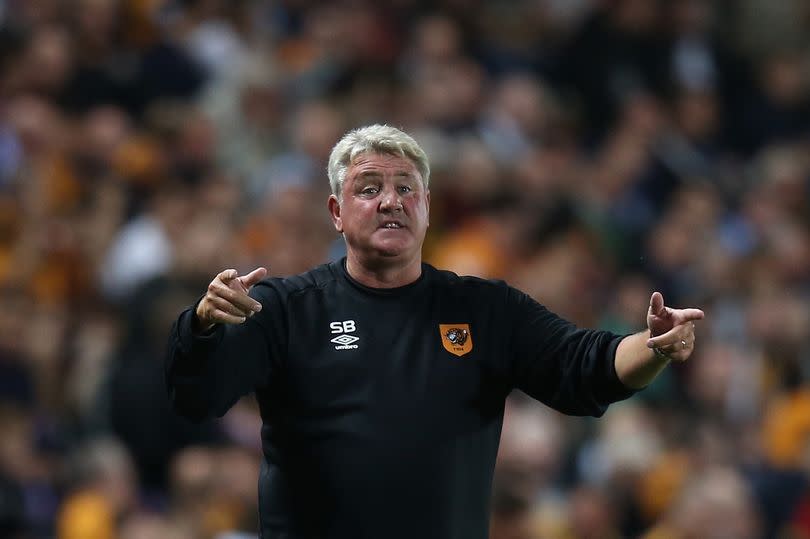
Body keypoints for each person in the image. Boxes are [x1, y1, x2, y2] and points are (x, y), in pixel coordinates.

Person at [165, 124, 704, 539]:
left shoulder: (485, 308)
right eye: (368, 188)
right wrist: (204, 324)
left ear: (427, 208)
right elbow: (196, 398)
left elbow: (585, 365)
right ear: (336, 211)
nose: (391, 200)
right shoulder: (285, 309)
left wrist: (653, 347)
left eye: (406, 188)